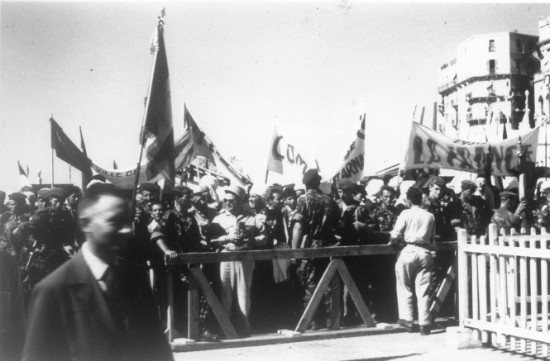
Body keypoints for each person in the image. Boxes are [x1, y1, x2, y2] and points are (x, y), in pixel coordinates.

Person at [22, 183, 173, 361]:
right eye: (115, 221)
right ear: (86, 223)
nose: (127, 230)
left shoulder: (136, 276)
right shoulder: (53, 289)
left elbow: (157, 349)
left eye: (127, 221)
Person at [209, 184, 268, 337]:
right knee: (225, 293)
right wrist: (226, 238)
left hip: (245, 257)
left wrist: (252, 241)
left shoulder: (252, 218)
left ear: (240, 201)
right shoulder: (218, 218)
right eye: (226, 200)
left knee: (244, 293)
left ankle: (244, 327)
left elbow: (265, 237)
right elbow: (210, 239)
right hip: (226, 256)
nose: (228, 203)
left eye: (232, 201)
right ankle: (225, 328)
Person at [291, 169, 340, 330]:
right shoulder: (329, 200)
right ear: (318, 183)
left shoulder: (303, 200)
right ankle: (330, 321)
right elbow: (337, 224)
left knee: (310, 285)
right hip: (328, 246)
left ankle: (312, 321)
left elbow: (298, 227)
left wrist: (294, 252)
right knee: (327, 284)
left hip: (309, 247)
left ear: (305, 184)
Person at [389, 186, 435, 336]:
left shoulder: (405, 213)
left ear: (408, 200)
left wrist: (395, 244)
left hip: (408, 250)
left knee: (405, 287)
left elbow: (395, 235)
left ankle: (407, 319)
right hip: (425, 251)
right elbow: (433, 238)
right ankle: (425, 324)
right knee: (423, 290)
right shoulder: (430, 216)